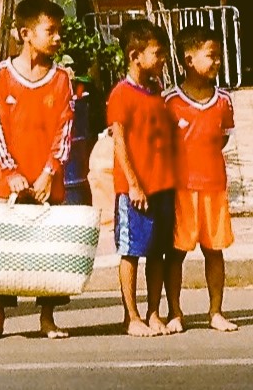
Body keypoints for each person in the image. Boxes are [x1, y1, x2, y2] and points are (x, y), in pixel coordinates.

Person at [0, 0, 75, 340]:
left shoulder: (62, 78)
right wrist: (10, 172)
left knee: (48, 247)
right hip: (7, 181)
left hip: (46, 180)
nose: (57, 38)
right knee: (1, 245)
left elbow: (66, 127)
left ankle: (47, 317)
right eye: (50, 31)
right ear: (26, 33)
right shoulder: (2, 74)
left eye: (58, 32)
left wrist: (50, 172)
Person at [162, 26, 238, 333]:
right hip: (181, 189)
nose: (218, 62)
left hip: (213, 187)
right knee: (176, 253)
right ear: (189, 60)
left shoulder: (224, 101)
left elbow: (221, 140)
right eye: (212, 56)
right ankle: (175, 311)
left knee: (214, 250)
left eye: (219, 56)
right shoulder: (170, 101)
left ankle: (216, 311)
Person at [107, 19, 178, 337]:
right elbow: (119, 141)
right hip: (135, 190)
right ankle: (131, 315)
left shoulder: (156, 91)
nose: (162, 60)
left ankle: (153, 312)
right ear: (135, 56)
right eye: (157, 54)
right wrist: (134, 183)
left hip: (163, 185)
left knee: (158, 251)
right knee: (132, 250)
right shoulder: (121, 94)